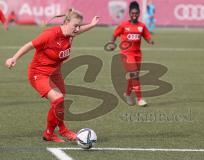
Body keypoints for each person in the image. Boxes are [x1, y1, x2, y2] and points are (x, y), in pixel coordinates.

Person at [5, 9, 100, 142]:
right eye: (75, 26)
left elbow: (80, 29)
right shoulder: (50, 35)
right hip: (39, 73)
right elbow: (29, 45)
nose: (77, 29)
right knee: (58, 99)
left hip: (55, 73)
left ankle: (62, 130)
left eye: (79, 26)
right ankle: (50, 133)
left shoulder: (71, 33)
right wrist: (14, 58)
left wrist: (92, 25)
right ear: (66, 22)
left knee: (59, 103)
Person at [109, 1, 154, 107]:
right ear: (129, 13)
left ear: (139, 13)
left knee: (133, 76)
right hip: (126, 54)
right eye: (132, 13)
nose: (134, 15)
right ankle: (140, 99)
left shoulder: (142, 26)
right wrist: (111, 43)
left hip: (138, 54)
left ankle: (127, 94)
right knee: (135, 75)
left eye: (136, 13)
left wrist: (150, 40)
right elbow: (114, 35)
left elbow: (147, 36)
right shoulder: (123, 25)